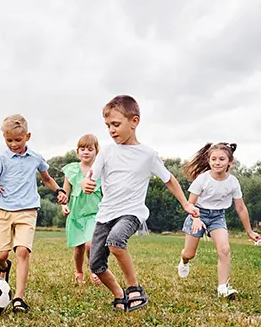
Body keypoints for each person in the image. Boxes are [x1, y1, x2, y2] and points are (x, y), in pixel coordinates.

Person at [81, 95, 198, 312]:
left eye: (116, 124)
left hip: (132, 212)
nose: (111, 130)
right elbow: (90, 177)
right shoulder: (106, 151)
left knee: (116, 241)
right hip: (106, 214)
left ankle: (134, 288)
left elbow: (169, 180)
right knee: (96, 265)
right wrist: (85, 184)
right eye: (108, 126)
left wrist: (185, 204)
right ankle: (119, 294)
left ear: (134, 122)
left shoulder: (147, 155)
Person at [0, 114, 68, 313]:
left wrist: (59, 190)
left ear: (28, 136)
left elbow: (47, 179)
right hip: (3, 209)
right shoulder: (0, 158)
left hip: (27, 209)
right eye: (9, 140)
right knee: (1, 254)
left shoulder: (36, 158)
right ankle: (3, 267)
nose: (13, 144)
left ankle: (18, 298)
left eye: (18, 140)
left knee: (22, 251)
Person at [177, 142, 261, 298]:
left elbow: (241, 208)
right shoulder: (202, 179)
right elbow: (190, 203)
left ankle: (222, 288)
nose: (217, 162)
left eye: (222, 159)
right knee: (189, 253)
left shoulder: (233, 182)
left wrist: (249, 231)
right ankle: (184, 261)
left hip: (217, 217)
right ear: (208, 161)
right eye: (213, 159)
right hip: (197, 214)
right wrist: (196, 219)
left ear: (230, 162)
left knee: (224, 249)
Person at [61, 134, 102, 285]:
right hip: (76, 215)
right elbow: (65, 192)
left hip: (94, 214)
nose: (86, 152)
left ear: (96, 151)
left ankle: (94, 270)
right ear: (77, 151)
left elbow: (106, 192)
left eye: (90, 149)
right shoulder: (71, 170)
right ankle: (78, 271)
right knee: (79, 248)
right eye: (82, 149)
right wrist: (64, 205)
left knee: (90, 245)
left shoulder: (99, 171)